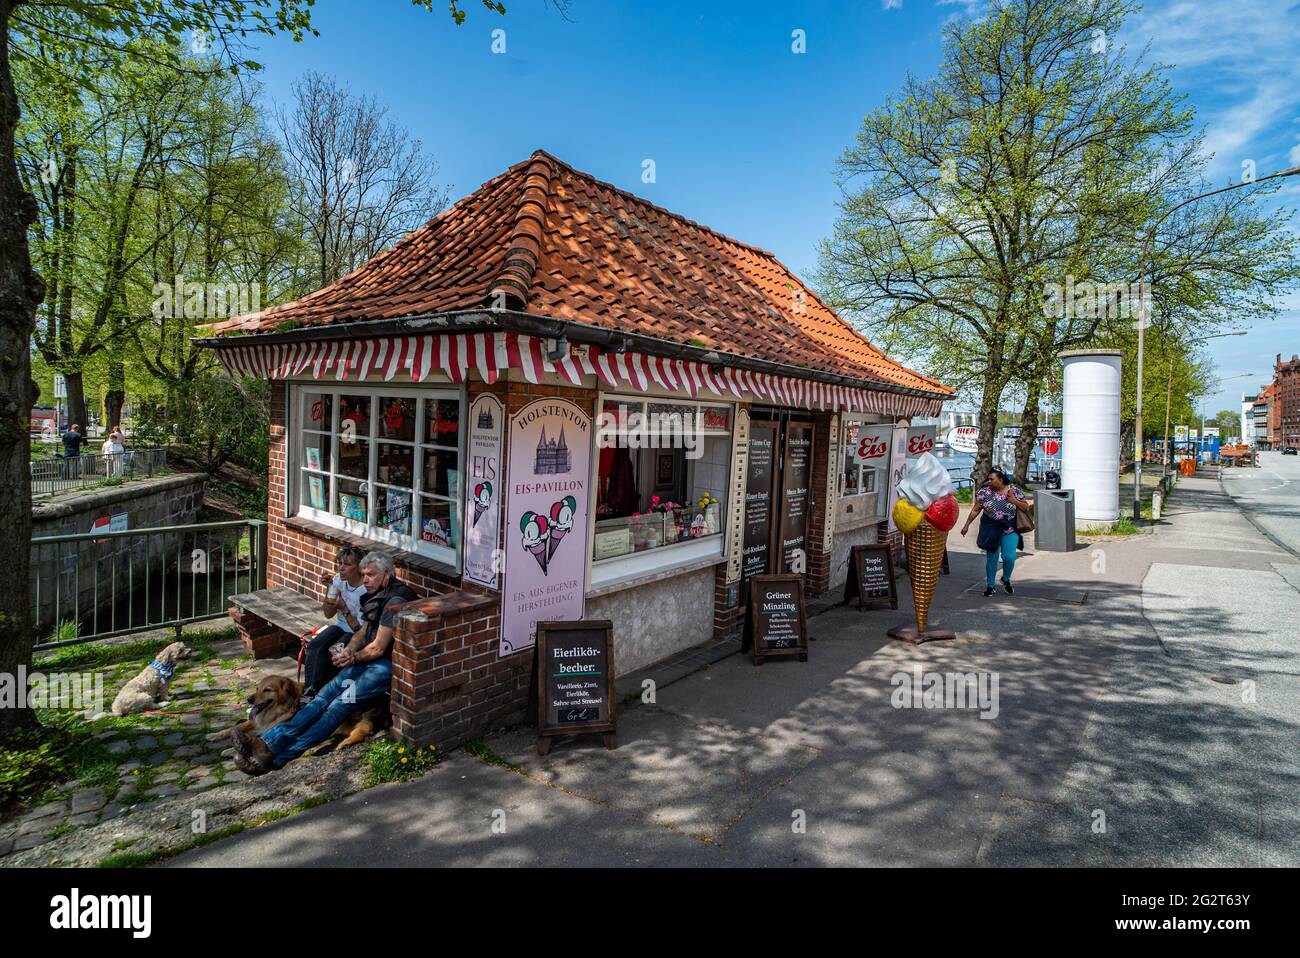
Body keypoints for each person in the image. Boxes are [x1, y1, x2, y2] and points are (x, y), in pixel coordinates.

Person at [233, 551, 417, 774]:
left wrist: (353, 657)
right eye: (363, 574)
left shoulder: (395, 601)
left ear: (387, 573)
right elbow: (363, 633)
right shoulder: (377, 595)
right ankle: (267, 745)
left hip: (383, 667)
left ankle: (277, 758)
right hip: (366, 662)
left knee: (338, 705)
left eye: (371, 574)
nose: (365, 579)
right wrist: (348, 649)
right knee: (321, 698)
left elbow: (378, 647)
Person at [300, 546, 368, 699]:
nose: (341, 568)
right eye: (339, 564)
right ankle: (309, 692)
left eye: (347, 564)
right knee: (314, 645)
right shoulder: (338, 581)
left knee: (335, 652)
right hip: (340, 627)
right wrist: (329, 590)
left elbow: (360, 629)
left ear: (359, 567)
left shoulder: (365, 590)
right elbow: (328, 613)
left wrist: (344, 609)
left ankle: (326, 695)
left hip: (356, 634)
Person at [960, 468, 1034, 597]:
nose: (989, 481)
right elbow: (976, 509)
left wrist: (1014, 501)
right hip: (990, 528)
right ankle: (990, 586)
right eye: (988, 479)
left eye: (991, 479)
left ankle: (1005, 579)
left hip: (1010, 528)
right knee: (992, 558)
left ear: (1000, 480)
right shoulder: (984, 492)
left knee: (1009, 558)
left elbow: (1025, 507)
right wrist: (966, 525)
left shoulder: (1014, 491)